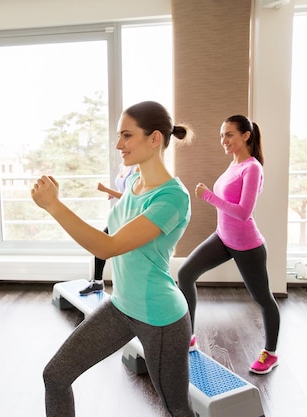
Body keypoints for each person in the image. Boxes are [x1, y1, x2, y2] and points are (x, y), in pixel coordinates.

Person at [32, 101, 196, 417]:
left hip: (160, 317)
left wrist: (54, 206)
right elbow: (111, 234)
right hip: (121, 306)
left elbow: (108, 247)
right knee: (55, 376)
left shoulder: (173, 197)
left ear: (155, 139)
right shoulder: (135, 185)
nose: (118, 145)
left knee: (176, 409)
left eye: (126, 135)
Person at [177, 115, 281, 375]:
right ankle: (188, 336)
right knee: (185, 273)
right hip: (223, 237)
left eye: (229, 134)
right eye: (222, 135)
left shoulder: (252, 167)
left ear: (246, 135)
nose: (224, 140)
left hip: (247, 244)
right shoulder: (233, 164)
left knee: (263, 298)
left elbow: (244, 212)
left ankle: (270, 353)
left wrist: (208, 196)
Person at [79, 163, 138, 295]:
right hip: (120, 215)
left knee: (106, 247)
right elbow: (124, 191)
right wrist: (113, 194)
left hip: (130, 216)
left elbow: (131, 198)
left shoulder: (137, 168)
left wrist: (107, 190)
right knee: (100, 245)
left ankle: (103, 284)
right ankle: (98, 283)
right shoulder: (124, 165)